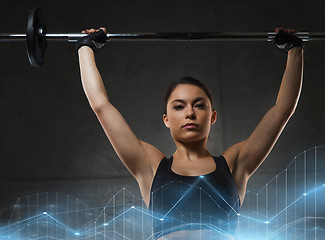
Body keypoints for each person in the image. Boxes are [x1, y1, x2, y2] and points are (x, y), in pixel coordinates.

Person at [77, 27, 303, 240]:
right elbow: (101, 107)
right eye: (178, 106)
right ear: (166, 119)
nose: (189, 114)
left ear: (212, 116)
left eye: (199, 105)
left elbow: (282, 110)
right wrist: (85, 48)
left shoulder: (234, 163)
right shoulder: (151, 165)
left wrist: (294, 50)